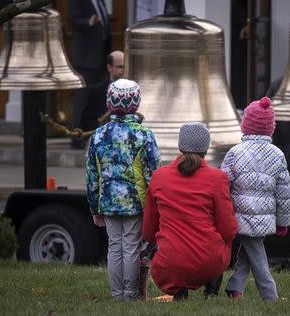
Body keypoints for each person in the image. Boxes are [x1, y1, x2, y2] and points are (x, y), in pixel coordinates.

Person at [142, 122, 238, 301]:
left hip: (168, 264)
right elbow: (228, 230)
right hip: (208, 262)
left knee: (173, 246)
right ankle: (211, 290)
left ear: (180, 146)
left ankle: (179, 291)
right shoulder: (217, 178)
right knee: (225, 240)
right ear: (206, 148)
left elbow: (148, 231)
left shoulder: (159, 177)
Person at [86, 79, 161, 301]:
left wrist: (94, 207)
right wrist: (155, 204)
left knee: (114, 248)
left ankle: (116, 295)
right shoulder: (144, 135)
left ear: (110, 103)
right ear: (136, 103)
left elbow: (92, 175)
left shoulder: (98, 135)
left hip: (107, 201)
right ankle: (130, 296)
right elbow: (153, 173)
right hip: (135, 202)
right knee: (131, 248)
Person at [221, 96, 290, 300]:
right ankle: (270, 295)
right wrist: (282, 222)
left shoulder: (235, 153)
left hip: (238, 213)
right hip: (264, 215)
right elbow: (284, 193)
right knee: (257, 253)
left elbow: (222, 185)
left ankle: (234, 287)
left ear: (246, 125)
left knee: (249, 248)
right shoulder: (277, 155)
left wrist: (222, 214)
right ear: (271, 127)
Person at [69, 0, 110, 148]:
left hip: (100, 58)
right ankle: (76, 137)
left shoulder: (100, 2)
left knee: (95, 99)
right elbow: (74, 19)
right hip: (85, 59)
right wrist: (89, 22)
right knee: (82, 98)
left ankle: (91, 136)